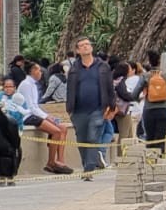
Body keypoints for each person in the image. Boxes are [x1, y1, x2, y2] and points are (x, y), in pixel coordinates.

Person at [64, 37, 115, 179]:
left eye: (87, 44)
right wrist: (69, 109)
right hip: (78, 111)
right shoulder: (74, 69)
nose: (86, 47)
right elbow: (70, 90)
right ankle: (86, 164)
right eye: (82, 45)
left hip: (97, 109)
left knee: (93, 138)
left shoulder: (102, 66)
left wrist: (112, 107)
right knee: (82, 140)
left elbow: (110, 87)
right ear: (78, 50)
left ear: (91, 47)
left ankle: (89, 170)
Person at [16, 61, 71, 174]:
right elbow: (31, 108)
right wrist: (47, 117)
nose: (41, 72)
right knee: (56, 131)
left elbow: (36, 106)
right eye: (38, 70)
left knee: (63, 128)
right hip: (27, 116)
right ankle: (51, 163)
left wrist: (49, 117)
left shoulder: (33, 84)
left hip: (35, 114)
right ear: (32, 71)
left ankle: (61, 160)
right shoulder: (26, 84)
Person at [141, 51, 166, 150]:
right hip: (163, 109)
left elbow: (134, 93)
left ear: (149, 62)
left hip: (149, 109)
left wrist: (137, 98)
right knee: (160, 138)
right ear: (159, 61)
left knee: (150, 138)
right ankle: (160, 157)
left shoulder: (146, 76)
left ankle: (150, 157)